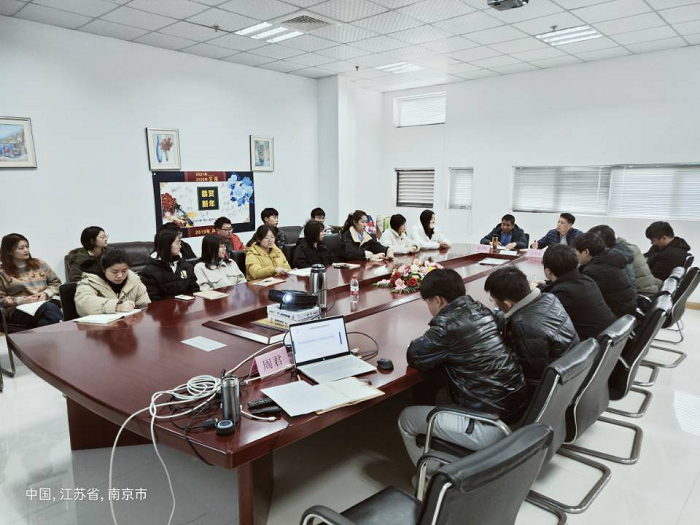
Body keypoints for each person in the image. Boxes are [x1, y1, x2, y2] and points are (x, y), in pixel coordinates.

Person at [398, 268, 528, 467]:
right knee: (441, 394)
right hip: (517, 410)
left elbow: (415, 355)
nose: (429, 307)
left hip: (490, 425)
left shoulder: (446, 326)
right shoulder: (481, 309)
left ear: (438, 300)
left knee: (406, 418)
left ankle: (429, 477)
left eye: (428, 302)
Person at [484, 266, 579, 390]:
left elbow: (532, 375)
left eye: (494, 300)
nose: (494, 304)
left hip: (555, 387)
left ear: (507, 303)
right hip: (573, 371)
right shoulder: (548, 298)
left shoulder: (523, 325)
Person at [538, 245, 616, 340]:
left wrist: (534, 292)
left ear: (548, 270)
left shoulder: (563, 293)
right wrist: (544, 285)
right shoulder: (586, 279)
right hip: (607, 337)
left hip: (587, 345)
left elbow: (544, 322)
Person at [0, 233, 63, 327]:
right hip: (18, 309)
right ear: (10, 252)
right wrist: (23, 300)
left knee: (45, 320)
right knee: (50, 309)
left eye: (27, 246)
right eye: (21, 248)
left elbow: (56, 283)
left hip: (44, 303)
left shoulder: (39, 264)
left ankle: (44, 334)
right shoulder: (2, 272)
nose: (26, 250)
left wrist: (45, 293)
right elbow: (1, 300)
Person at [573, 232, 637, 318]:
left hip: (615, 316)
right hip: (626, 312)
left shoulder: (594, 270)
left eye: (575, 252)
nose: (575, 256)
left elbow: (585, 299)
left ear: (586, 252)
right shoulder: (609, 260)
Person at [75, 249, 150, 316]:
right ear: (103, 269)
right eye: (114, 271)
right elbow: (83, 304)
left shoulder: (134, 280)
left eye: (124, 271)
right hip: (100, 326)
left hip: (130, 324)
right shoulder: (90, 281)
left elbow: (145, 305)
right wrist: (117, 307)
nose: (120, 276)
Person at [589, 225, 659, 293]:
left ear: (602, 243)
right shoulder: (628, 247)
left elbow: (628, 283)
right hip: (648, 289)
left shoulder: (618, 255)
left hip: (643, 293)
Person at [140, 230, 199, 301]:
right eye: (177, 243)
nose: (180, 246)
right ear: (167, 245)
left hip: (187, 306)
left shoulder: (186, 266)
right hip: (164, 307)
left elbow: (195, 290)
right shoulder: (149, 272)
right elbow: (154, 300)